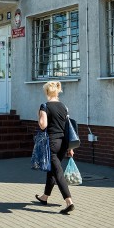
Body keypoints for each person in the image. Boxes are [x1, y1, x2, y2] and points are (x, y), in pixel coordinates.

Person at [34, 80, 75, 214]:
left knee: (58, 172)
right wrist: (70, 147)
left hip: (51, 143)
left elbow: (43, 125)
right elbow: (68, 128)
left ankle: (69, 201)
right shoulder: (64, 107)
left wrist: (39, 115)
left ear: (47, 92)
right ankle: (44, 197)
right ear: (57, 92)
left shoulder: (44, 106)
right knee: (52, 170)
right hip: (63, 143)